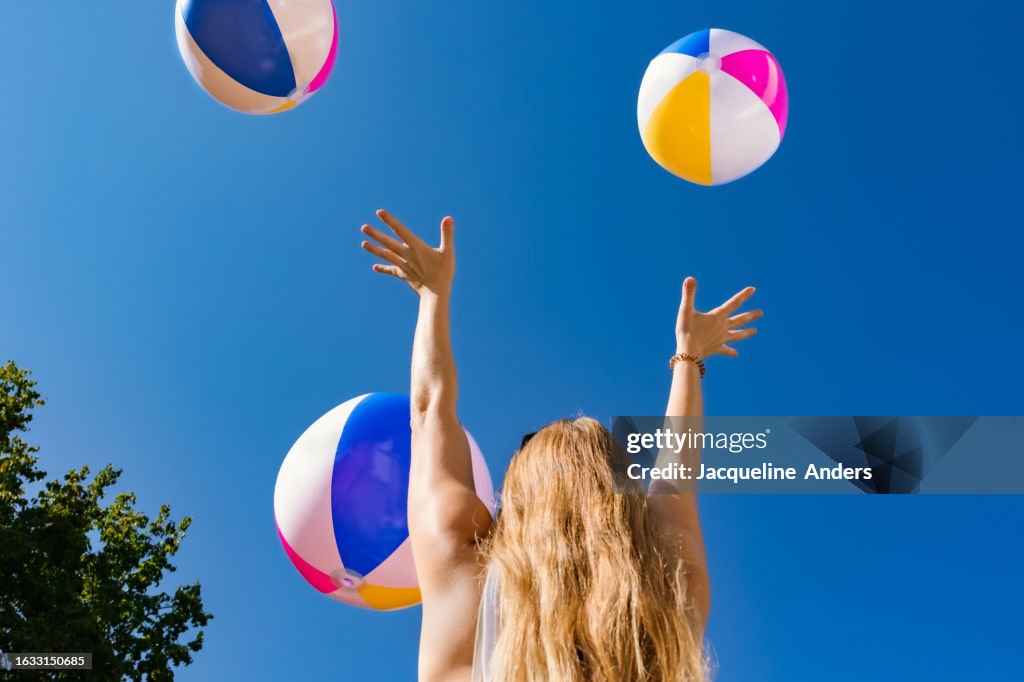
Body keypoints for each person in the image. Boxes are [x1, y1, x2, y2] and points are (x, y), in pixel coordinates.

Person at [360, 210, 762, 682]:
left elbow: (429, 413)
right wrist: (688, 356)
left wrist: (433, 295)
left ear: (518, 494)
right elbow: (676, 473)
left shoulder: (462, 570)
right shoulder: (670, 589)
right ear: (625, 501)